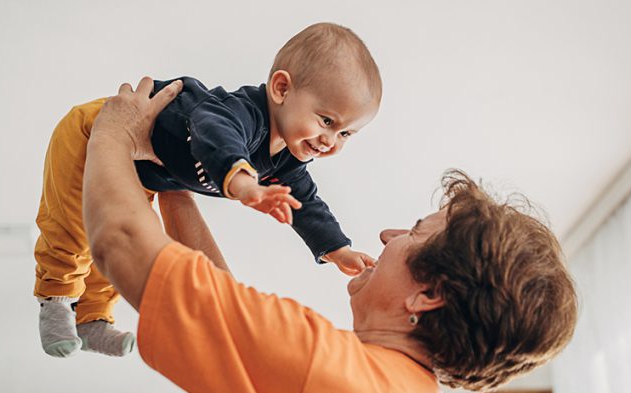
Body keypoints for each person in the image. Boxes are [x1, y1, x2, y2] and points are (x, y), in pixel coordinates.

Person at [82, 78, 578, 393]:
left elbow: (120, 241)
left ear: (428, 294)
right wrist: (175, 181)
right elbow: (221, 307)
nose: (388, 235)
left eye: (415, 233)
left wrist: (113, 132)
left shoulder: (333, 377)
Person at [33, 22, 381, 358]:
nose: (331, 142)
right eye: (327, 122)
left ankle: (92, 319)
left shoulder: (287, 159)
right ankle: (56, 300)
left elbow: (306, 203)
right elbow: (215, 133)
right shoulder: (241, 113)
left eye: (346, 134)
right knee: (72, 230)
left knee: (110, 238)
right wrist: (243, 183)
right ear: (281, 89)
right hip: (95, 131)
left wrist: (337, 249)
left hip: (142, 171)